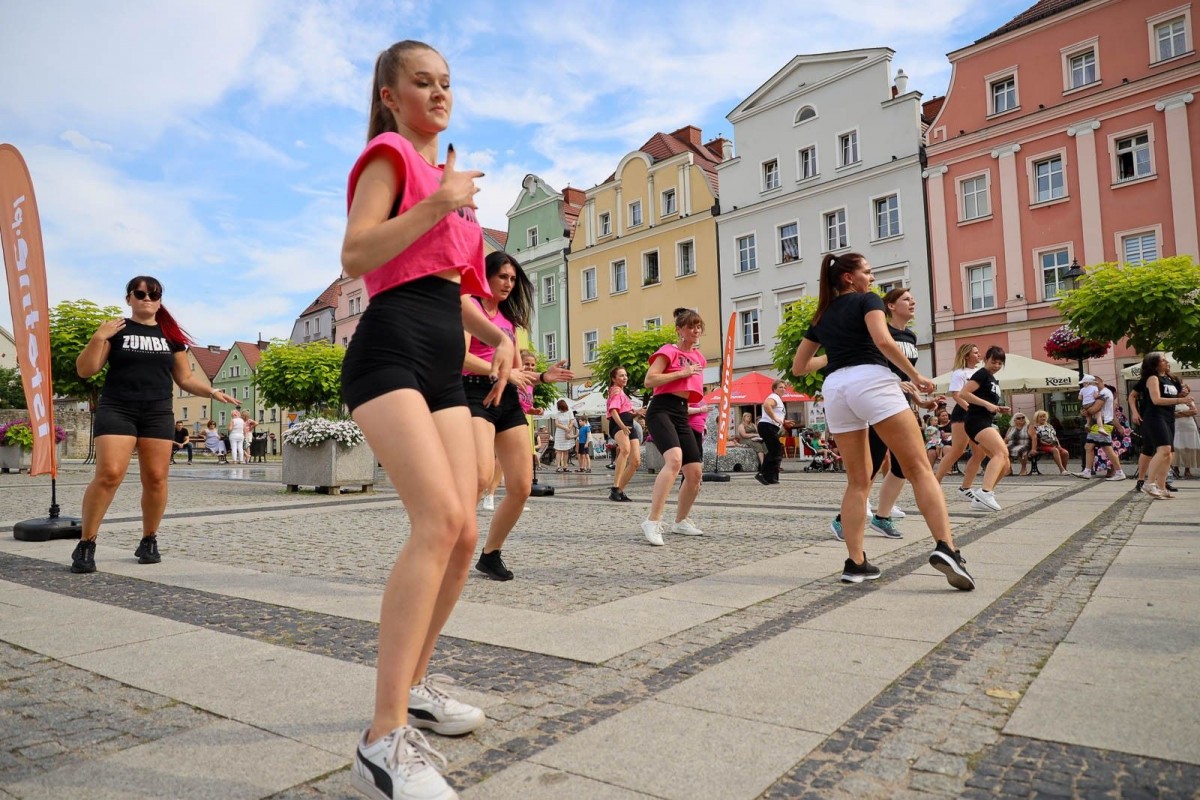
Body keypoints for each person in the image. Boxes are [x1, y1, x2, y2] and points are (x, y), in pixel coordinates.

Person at [339, 39, 516, 799]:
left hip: (443, 349)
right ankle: (381, 740)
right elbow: (356, 254)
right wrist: (442, 200)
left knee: (467, 529)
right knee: (439, 520)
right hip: (388, 349)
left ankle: (412, 686)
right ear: (390, 93)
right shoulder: (391, 155)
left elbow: (452, 290)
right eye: (423, 82)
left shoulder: (450, 179)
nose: (439, 93)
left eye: (446, 83)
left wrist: (496, 336)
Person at [791, 252, 974, 590]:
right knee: (919, 467)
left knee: (858, 482)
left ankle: (856, 563)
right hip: (872, 380)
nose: (872, 278)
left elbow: (799, 367)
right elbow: (883, 341)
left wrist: (836, 352)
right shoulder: (868, 300)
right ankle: (947, 548)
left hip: (836, 389)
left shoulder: (822, 315)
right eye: (868, 272)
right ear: (849, 278)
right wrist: (916, 376)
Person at [70, 276, 238, 575]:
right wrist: (98, 337)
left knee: (157, 477)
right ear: (129, 298)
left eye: (154, 294)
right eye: (140, 293)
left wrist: (211, 391)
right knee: (109, 474)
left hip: (157, 412)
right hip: (118, 408)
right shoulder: (116, 331)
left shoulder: (170, 336)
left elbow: (184, 379)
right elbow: (86, 370)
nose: (147, 298)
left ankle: (149, 539)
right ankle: (87, 542)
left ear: (160, 299)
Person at [463, 251, 571, 580]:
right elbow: (459, 358)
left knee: (522, 486)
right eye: (503, 277)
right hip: (474, 392)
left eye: (513, 279)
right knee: (481, 477)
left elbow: (514, 373)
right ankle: (444, 536)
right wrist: (503, 373)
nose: (509, 284)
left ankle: (490, 554)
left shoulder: (509, 322)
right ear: (486, 277)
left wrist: (541, 378)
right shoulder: (470, 307)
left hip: (507, 398)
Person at [639, 308, 707, 545]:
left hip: (681, 411)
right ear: (679, 329)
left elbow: (689, 393)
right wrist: (681, 372)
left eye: (698, 326)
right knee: (675, 460)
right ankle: (653, 521)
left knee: (695, 473)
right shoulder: (669, 351)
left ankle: (681, 521)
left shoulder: (700, 358)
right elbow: (650, 380)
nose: (696, 331)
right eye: (690, 326)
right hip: (660, 409)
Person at [957, 346, 1011, 511]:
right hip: (976, 421)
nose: (996, 365)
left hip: (984, 421)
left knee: (1005, 465)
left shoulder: (993, 380)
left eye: (1000, 363)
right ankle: (985, 492)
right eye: (993, 361)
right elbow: (964, 393)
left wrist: (997, 408)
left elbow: (984, 399)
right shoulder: (982, 374)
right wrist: (987, 405)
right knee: (1001, 453)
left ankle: (983, 497)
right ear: (985, 360)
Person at [933, 344, 987, 498]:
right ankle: (935, 483)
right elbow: (956, 394)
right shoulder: (959, 373)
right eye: (976, 353)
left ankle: (965, 488)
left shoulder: (981, 372)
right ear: (966, 356)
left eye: (978, 352)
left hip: (977, 413)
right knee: (958, 450)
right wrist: (970, 408)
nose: (979, 355)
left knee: (979, 452)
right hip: (963, 413)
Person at [1139, 353, 1186, 498]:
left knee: (1169, 454)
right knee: (1164, 450)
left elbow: (1171, 397)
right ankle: (1148, 483)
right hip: (1155, 416)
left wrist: (1180, 395)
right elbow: (1156, 400)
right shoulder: (1153, 378)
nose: (1166, 362)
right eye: (1163, 360)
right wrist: (1178, 401)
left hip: (1168, 417)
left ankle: (1161, 486)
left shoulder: (1169, 379)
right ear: (1155, 364)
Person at [1073, 374, 1126, 481]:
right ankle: (1087, 471)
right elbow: (1091, 409)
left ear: (1096, 383)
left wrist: (1086, 411)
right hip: (1097, 424)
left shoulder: (1104, 394)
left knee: (1107, 449)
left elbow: (1094, 409)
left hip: (1104, 424)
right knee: (1089, 447)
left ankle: (1119, 472)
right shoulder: (1100, 393)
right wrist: (1086, 411)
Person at [607, 367, 641, 501]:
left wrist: (637, 412)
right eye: (621, 376)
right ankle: (615, 487)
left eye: (626, 375)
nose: (625, 378)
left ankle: (619, 490)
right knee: (625, 450)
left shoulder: (622, 392)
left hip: (628, 423)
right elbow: (614, 411)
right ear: (614, 379)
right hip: (619, 424)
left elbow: (626, 411)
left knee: (635, 461)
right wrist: (622, 426)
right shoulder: (616, 390)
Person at [756, 380, 787, 485]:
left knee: (775, 450)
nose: (783, 389)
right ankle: (763, 473)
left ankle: (770, 477)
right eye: (780, 387)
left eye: (784, 387)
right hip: (767, 426)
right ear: (774, 389)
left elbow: (777, 415)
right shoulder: (774, 397)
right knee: (776, 450)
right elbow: (766, 405)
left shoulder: (778, 399)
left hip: (770, 426)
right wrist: (774, 418)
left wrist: (784, 422)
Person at [1032, 410, 1069, 474]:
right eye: (1041, 417)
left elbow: (1054, 436)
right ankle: (1061, 469)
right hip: (1043, 445)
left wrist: (1059, 445)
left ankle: (1064, 469)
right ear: (1037, 418)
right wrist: (1048, 443)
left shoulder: (1049, 426)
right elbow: (1037, 439)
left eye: (1044, 416)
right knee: (1055, 450)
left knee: (1065, 452)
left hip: (1054, 444)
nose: (1043, 418)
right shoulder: (1035, 427)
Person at [1173, 396, 1199, 479]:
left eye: (1186, 389)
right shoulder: (1173, 400)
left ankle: (1187, 470)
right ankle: (1175, 469)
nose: (1184, 390)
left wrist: (1180, 413)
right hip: (1177, 427)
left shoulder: (1189, 400)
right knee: (1176, 448)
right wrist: (1187, 412)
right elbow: (1172, 414)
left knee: (1189, 447)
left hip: (1190, 427)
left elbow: (1194, 412)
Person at [552, 399, 576, 472]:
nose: (560, 409)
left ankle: (565, 466)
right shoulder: (557, 414)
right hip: (559, 433)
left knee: (566, 450)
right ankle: (558, 466)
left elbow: (572, 421)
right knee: (558, 450)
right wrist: (565, 427)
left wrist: (568, 428)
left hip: (567, 432)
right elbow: (556, 424)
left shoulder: (569, 412)